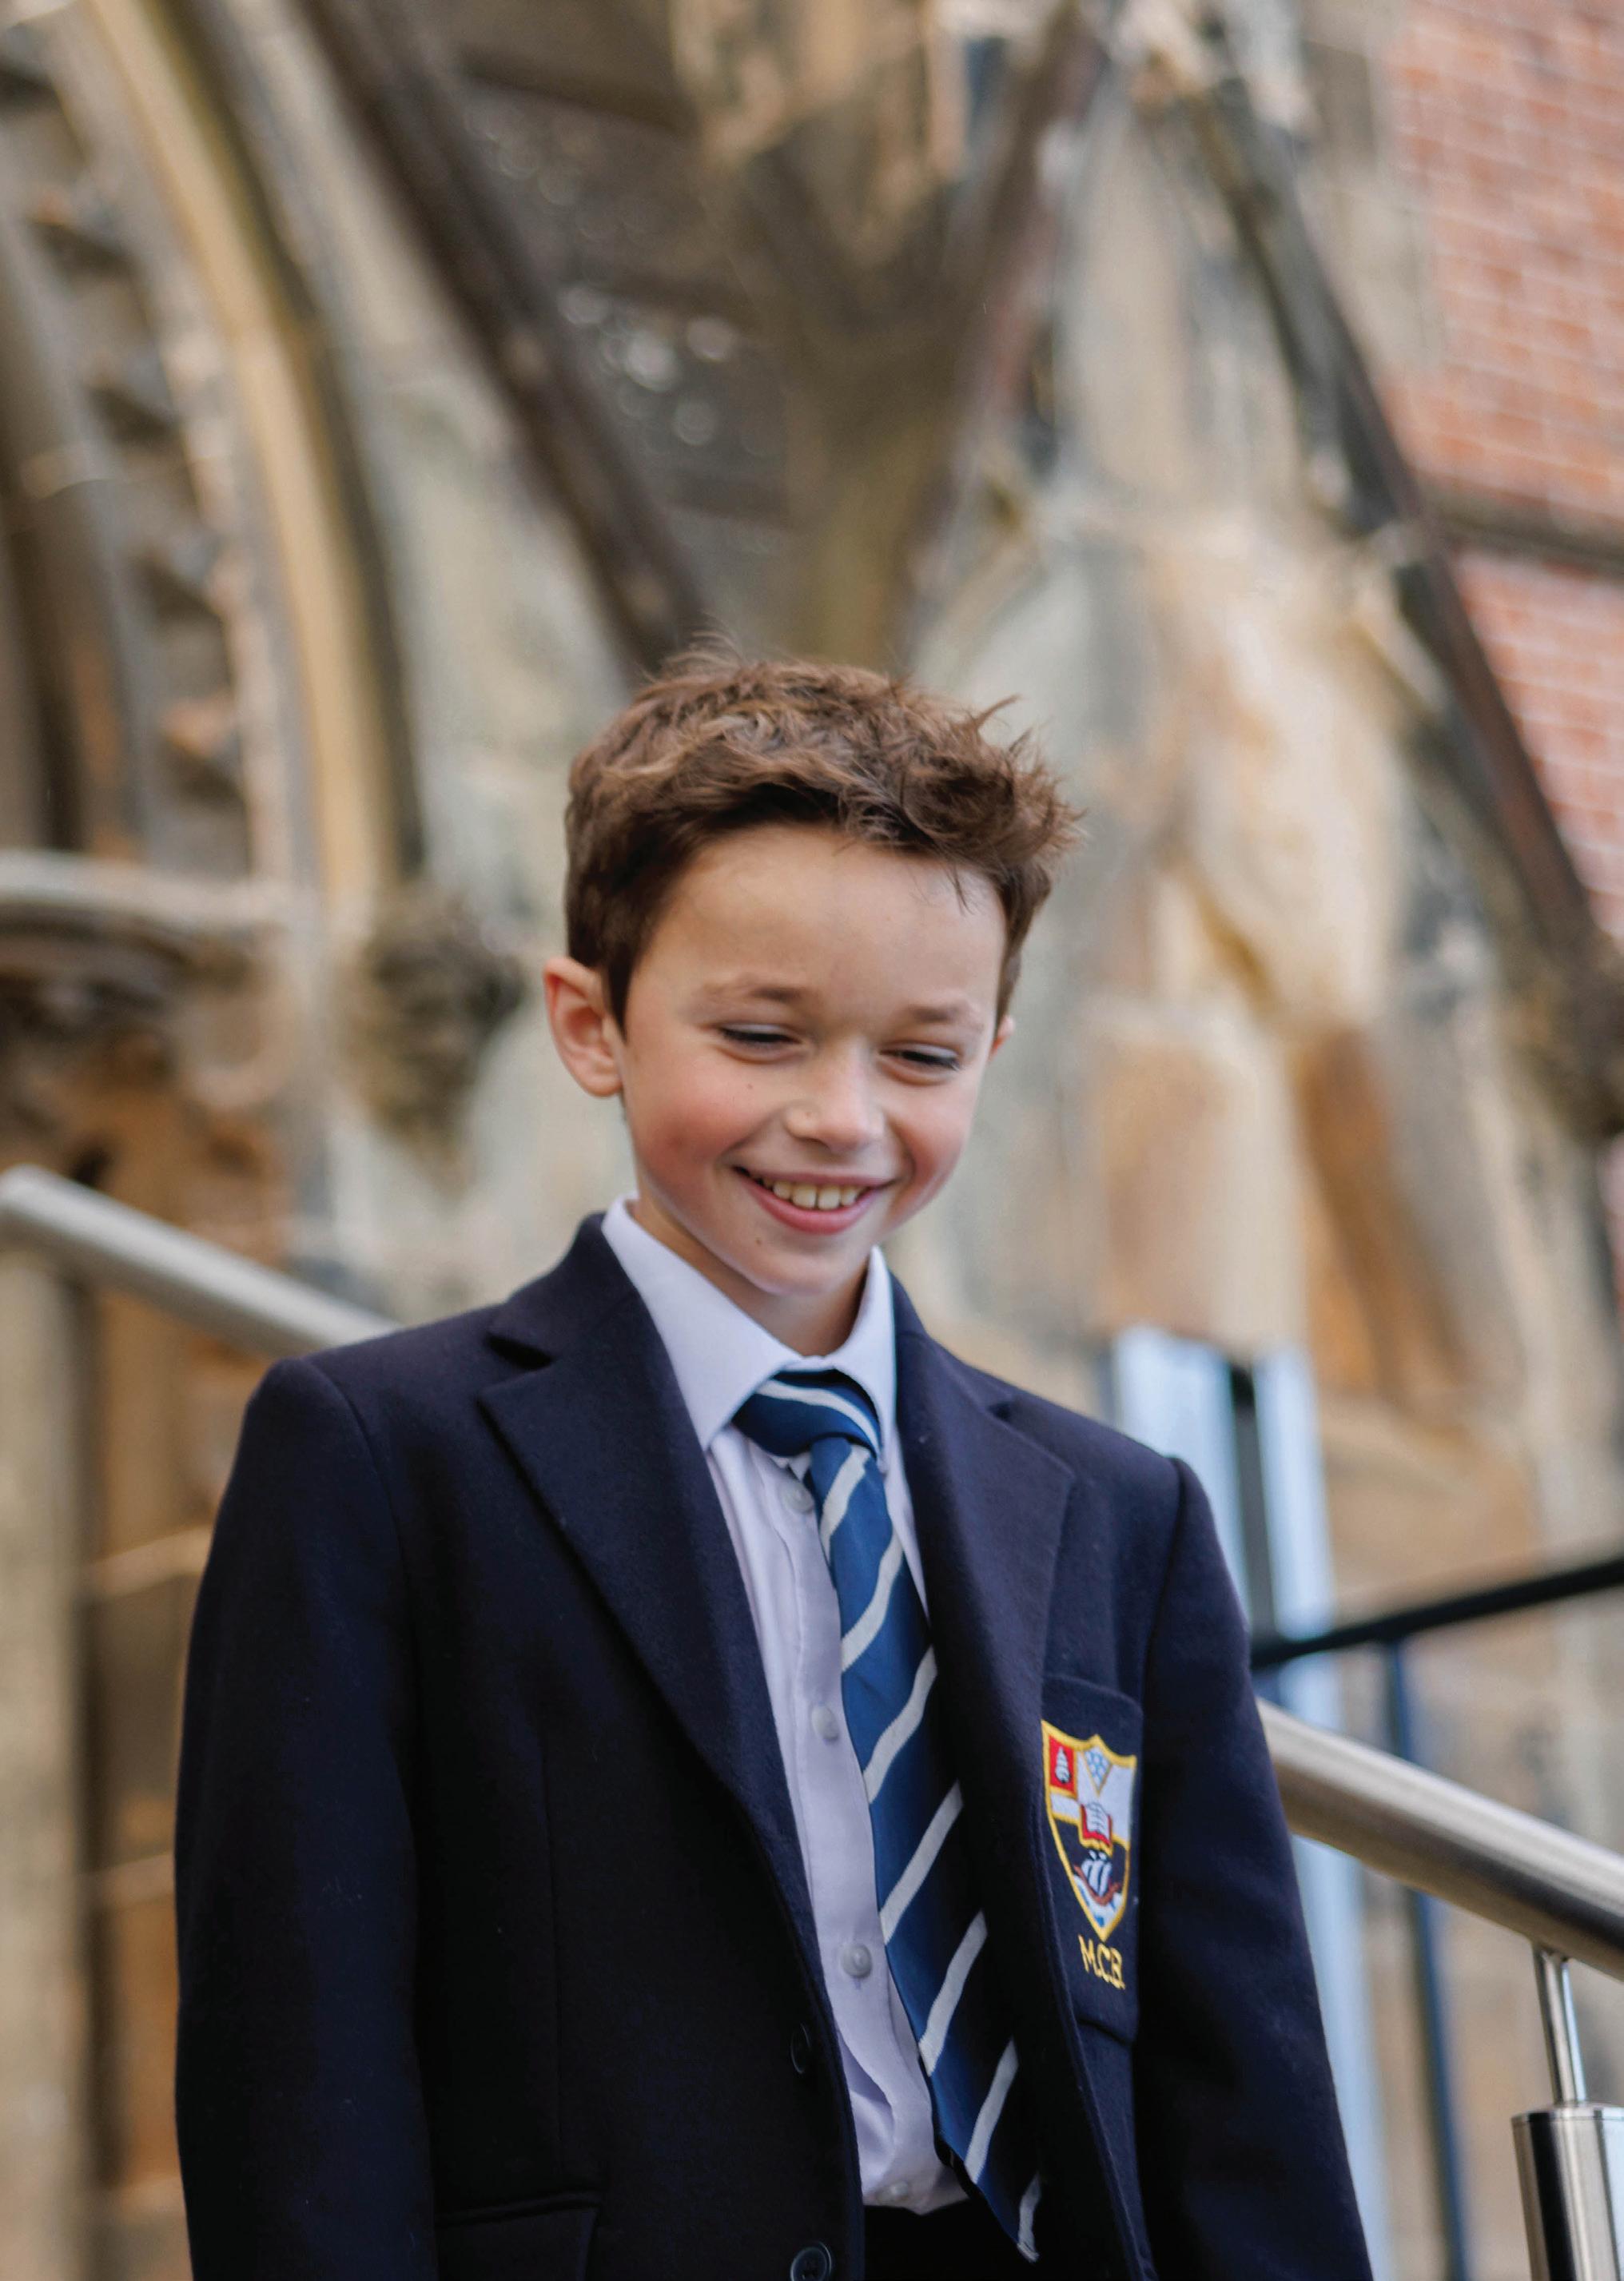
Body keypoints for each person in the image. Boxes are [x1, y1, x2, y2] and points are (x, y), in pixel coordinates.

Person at [173, 654, 1372, 2281]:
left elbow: (1240, 2087)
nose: (840, 1118)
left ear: (993, 1043)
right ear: (590, 1022)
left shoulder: (1119, 1513)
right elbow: (298, 2066)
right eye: (759, 1034)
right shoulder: (382, 1457)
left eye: (922, 1055)